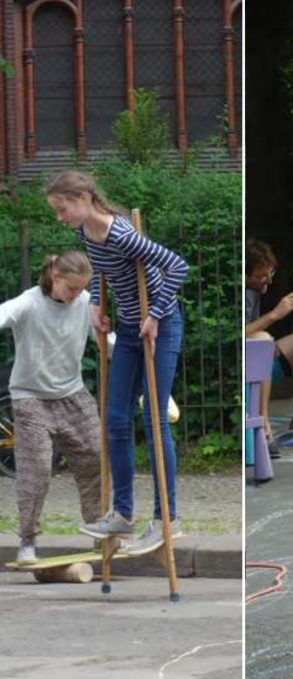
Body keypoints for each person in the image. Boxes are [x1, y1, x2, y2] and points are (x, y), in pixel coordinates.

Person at [46, 170, 189, 556]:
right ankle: (123, 514)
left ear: (83, 197)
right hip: (127, 329)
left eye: (63, 208)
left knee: (154, 420)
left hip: (159, 325)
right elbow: (103, 273)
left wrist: (156, 314)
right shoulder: (86, 235)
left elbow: (177, 266)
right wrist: (95, 303)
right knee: (115, 420)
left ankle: (167, 520)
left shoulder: (122, 234)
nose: (61, 217)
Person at [0, 252, 102, 564]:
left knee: (96, 457)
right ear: (55, 277)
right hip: (30, 398)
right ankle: (27, 541)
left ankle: (100, 532)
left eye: (81, 289)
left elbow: (102, 337)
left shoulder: (84, 301)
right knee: (37, 470)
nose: (76, 296)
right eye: (71, 288)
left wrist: (118, 347)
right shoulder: (29, 303)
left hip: (73, 394)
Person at [244, 239, 293, 451]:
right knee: (262, 340)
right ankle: (264, 426)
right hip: (248, 361)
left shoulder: (254, 292)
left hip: (258, 356)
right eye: (260, 276)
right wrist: (275, 314)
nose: (267, 281)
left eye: (269, 274)